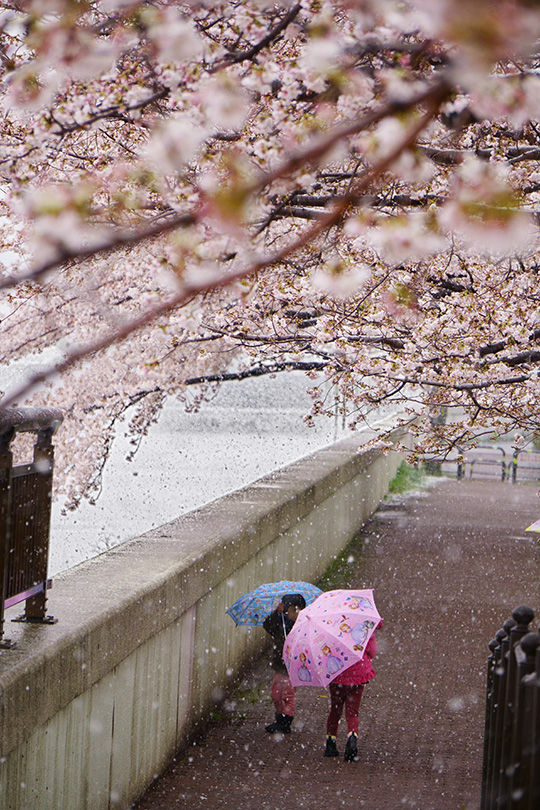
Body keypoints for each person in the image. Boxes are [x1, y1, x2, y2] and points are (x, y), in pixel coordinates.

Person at [324, 623, 380, 762]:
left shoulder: (331, 626)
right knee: (352, 712)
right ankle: (352, 738)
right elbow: (372, 651)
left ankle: (331, 743)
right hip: (358, 673)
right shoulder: (363, 625)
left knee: (335, 709)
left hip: (338, 672)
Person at [262, 592, 306, 734]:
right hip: (280, 666)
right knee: (276, 695)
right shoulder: (281, 622)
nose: (291, 614)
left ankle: (286, 720)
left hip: (292, 667)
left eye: (295, 610)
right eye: (289, 610)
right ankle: (280, 717)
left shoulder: (303, 626)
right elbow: (268, 626)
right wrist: (277, 613)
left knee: (287, 695)